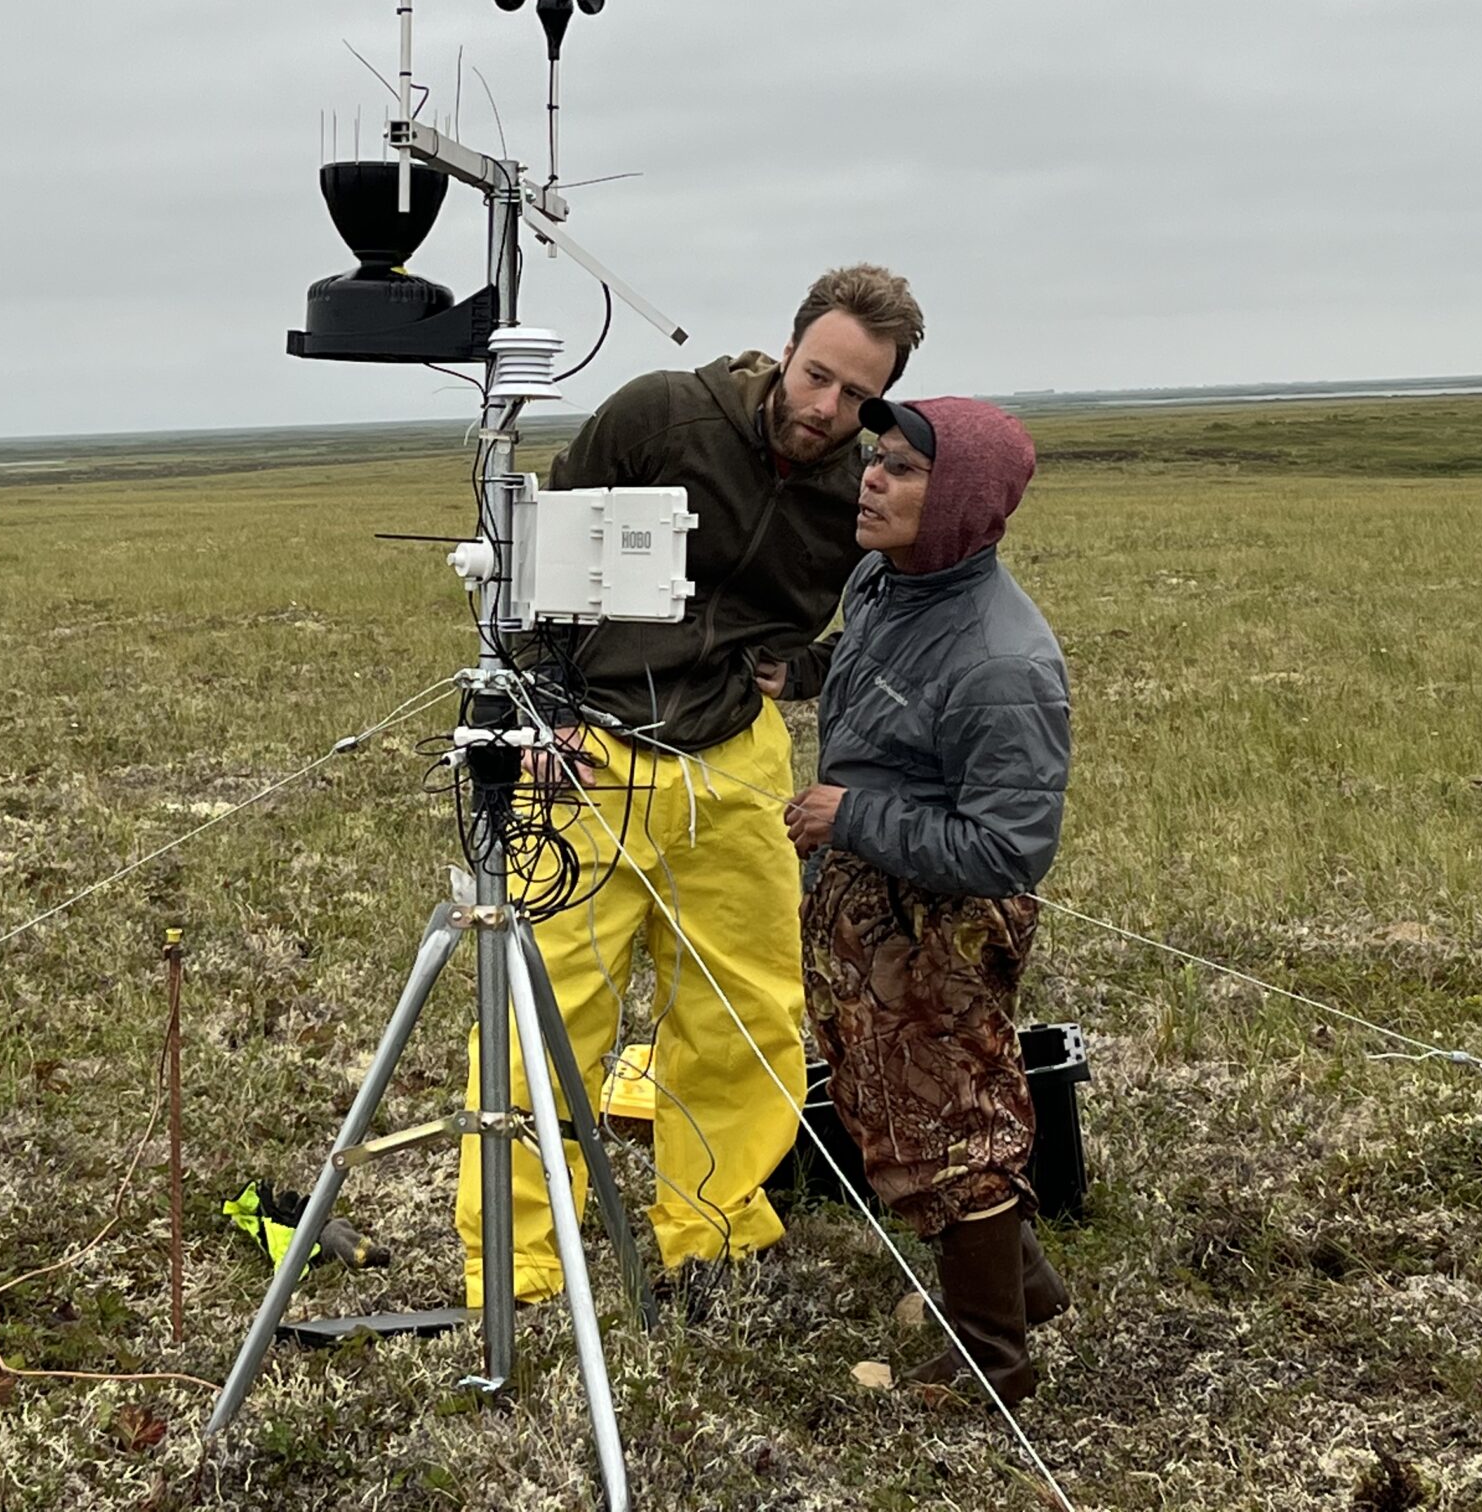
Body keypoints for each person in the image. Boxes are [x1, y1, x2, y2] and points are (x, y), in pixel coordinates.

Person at [456, 264, 930, 1308]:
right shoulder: (662, 415)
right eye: (817, 377)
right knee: (552, 1010)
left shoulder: (861, 483)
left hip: (735, 759)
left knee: (746, 1010)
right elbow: (531, 550)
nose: (826, 410)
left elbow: (900, 609)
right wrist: (538, 705)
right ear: (790, 346)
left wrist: (800, 672)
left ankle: (709, 1233)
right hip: (593, 750)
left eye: (856, 398)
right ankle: (527, 1265)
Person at [783, 393, 1072, 1406]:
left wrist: (850, 817)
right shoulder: (882, 579)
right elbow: (866, 664)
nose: (871, 477)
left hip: (941, 920)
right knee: (883, 1110)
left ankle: (995, 1366)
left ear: (959, 500)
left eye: (904, 469)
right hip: (865, 900)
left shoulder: (1003, 663)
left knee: (952, 1131)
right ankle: (1022, 1287)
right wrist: (799, 670)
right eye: (875, 458)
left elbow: (1007, 849)